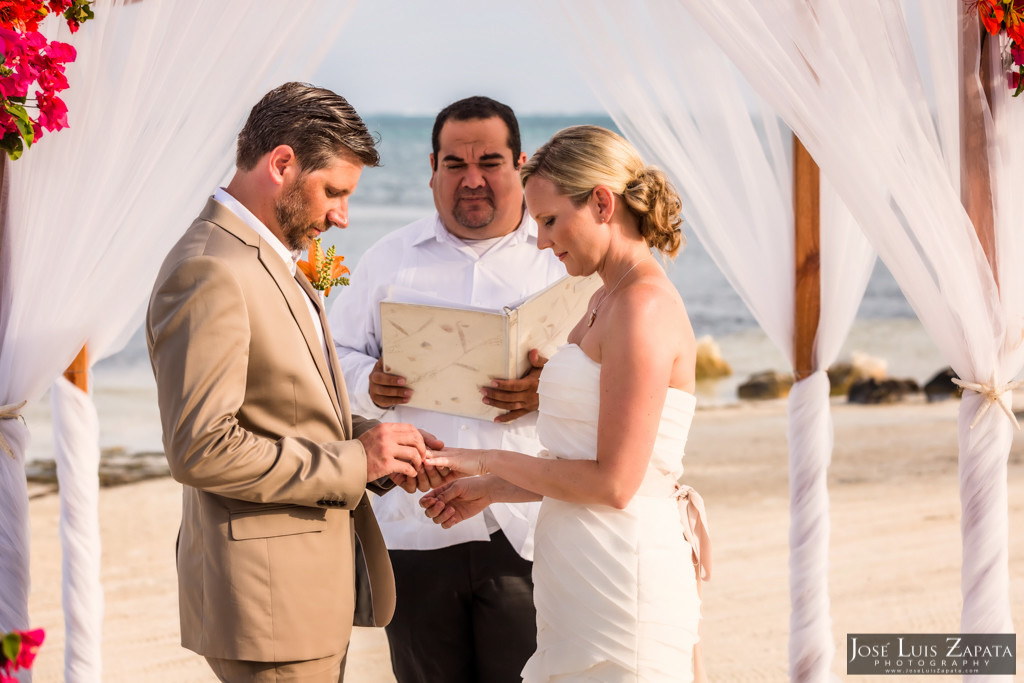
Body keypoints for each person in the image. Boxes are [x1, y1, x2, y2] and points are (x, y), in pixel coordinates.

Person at [146, 82, 441, 683]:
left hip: (297, 593)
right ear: (281, 164)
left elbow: (281, 408)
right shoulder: (212, 269)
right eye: (333, 191)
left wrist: (378, 446)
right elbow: (201, 448)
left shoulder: (262, 254)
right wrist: (354, 460)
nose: (342, 215)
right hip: (268, 603)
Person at [421, 125, 711, 682]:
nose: (540, 241)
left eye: (550, 221)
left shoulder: (642, 306)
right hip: (579, 572)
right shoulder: (604, 297)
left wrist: (487, 460)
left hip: (622, 574)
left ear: (603, 202)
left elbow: (616, 483)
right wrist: (493, 490)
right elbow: (583, 459)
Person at [328, 96, 567, 682]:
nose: (473, 179)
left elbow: (610, 377)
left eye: (490, 161)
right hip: (416, 525)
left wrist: (548, 389)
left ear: (522, 165)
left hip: (529, 529)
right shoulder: (389, 260)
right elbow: (330, 363)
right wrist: (372, 386)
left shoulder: (560, 260)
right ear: (432, 168)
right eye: (455, 165)